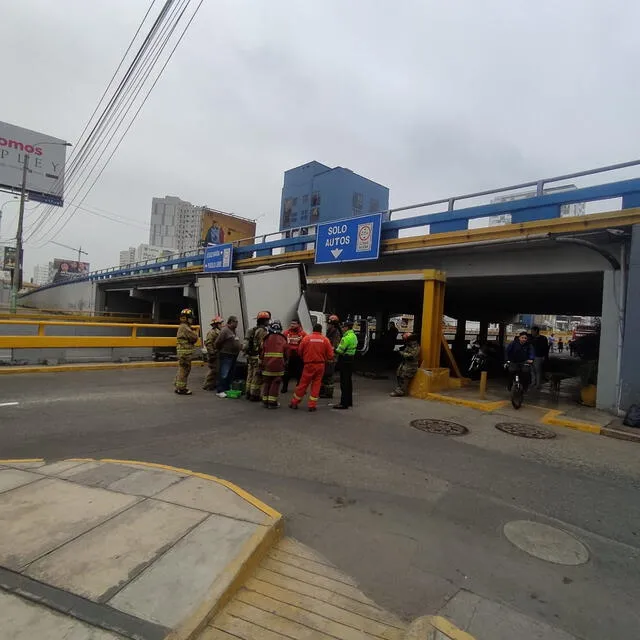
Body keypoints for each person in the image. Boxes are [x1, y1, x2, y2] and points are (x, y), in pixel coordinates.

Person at [289, 324, 334, 412]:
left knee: (303, 384)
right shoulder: (325, 340)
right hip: (320, 365)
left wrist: (304, 358)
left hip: (308, 365)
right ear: (321, 330)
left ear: (313, 329)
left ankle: (294, 403)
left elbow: (299, 351)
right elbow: (330, 355)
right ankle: (312, 405)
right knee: (316, 385)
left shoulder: (306, 338)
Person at [244, 311, 271, 401]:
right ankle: (254, 395)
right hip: (257, 356)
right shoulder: (262, 331)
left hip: (250, 355)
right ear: (264, 321)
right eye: (267, 320)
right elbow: (262, 345)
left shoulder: (253, 329)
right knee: (257, 376)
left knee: (250, 374)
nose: (268, 322)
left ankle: (248, 392)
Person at [260, 320, 288, 408]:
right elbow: (287, 352)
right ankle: (272, 403)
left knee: (267, 382)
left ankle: (265, 401)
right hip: (278, 365)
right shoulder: (283, 338)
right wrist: (286, 361)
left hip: (266, 365)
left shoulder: (266, 338)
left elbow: (261, 352)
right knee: (275, 383)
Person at [333, 320, 358, 410]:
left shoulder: (346, 338)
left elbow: (339, 350)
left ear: (347, 327)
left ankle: (343, 403)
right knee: (348, 381)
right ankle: (349, 401)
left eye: (343, 327)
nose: (342, 329)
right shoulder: (354, 336)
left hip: (344, 360)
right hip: (351, 359)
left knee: (344, 383)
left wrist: (333, 349)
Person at [214, 316, 241, 397]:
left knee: (230, 373)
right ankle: (220, 390)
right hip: (226, 355)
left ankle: (227, 389)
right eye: (235, 322)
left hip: (233, 355)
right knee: (224, 373)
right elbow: (217, 342)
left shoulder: (233, 331)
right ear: (231, 322)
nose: (237, 323)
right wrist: (222, 350)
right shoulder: (225, 330)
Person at [174, 308, 199, 395]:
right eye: (191, 318)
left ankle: (178, 387)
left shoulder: (182, 326)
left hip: (183, 353)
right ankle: (181, 389)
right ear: (187, 318)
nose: (192, 320)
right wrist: (196, 333)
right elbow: (194, 338)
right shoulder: (185, 327)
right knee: (185, 370)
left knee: (182, 369)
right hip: (185, 353)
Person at [320, 314, 342, 398]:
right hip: (328, 356)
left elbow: (335, 346)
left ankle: (328, 393)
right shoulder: (332, 331)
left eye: (329, 323)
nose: (328, 325)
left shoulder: (335, 332)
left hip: (331, 357)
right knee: (325, 375)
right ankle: (323, 391)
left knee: (328, 376)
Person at [281, 319, 307, 393]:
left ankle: (299, 388)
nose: (292, 325)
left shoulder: (303, 334)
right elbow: (282, 343)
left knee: (300, 373)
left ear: (299, 324)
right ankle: (284, 387)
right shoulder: (286, 333)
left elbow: (305, 345)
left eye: (294, 323)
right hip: (288, 357)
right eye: (291, 323)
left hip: (299, 357)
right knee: (286, 374)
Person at [202, 316, 223, 390]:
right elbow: (208, 343)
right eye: (220, 323)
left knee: (216, 370)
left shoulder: (218, 332)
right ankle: (207, 385)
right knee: (214, 370)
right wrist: (212, 353)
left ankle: (212, 384)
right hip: (213, 354)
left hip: (217, 354)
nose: (221, 325)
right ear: (216, 324)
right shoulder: (212, 333)